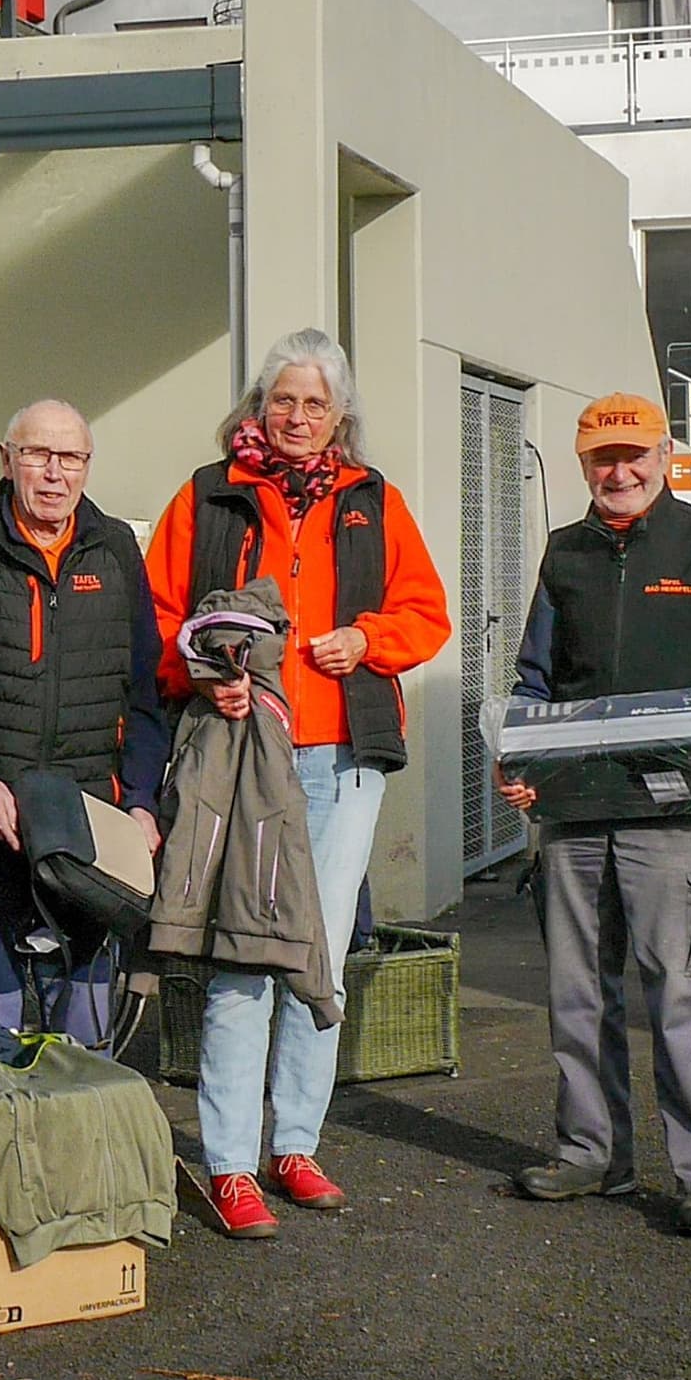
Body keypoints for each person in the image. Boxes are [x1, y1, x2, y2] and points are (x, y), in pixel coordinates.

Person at [145, 332, 449, 1239]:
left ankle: (297, 1145)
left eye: (316, 403)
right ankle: (231, 1163)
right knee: (244, 955)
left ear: (339, 414)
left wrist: (368, 639)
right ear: (258, 406)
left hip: (343, 753)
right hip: (241, 753)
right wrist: (205, 673)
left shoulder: (373, 500)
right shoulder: (208, 495)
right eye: (283, 400)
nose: (298, 417)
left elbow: (426, 613)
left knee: (319, 951)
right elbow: (158, 617)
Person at [498, 394, 691, 1241]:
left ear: (665, 457)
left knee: (685, 997)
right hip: (573, 813)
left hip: (677, 817)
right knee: (576, 996)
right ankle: (592, 1153)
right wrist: (517, 758)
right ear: (583, 464)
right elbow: (535, 681)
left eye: (634, 455)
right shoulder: (565, 553)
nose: (620, 471)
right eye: (603, 458)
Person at [0, 398, 167, 1039]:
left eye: (70, 457)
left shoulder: (116, 550)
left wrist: (142, 802)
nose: (53, 473)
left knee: (85, 1037)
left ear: (87, 466)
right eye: (37, 454)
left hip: (89, 827)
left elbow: (145, 694)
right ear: (7, 460)